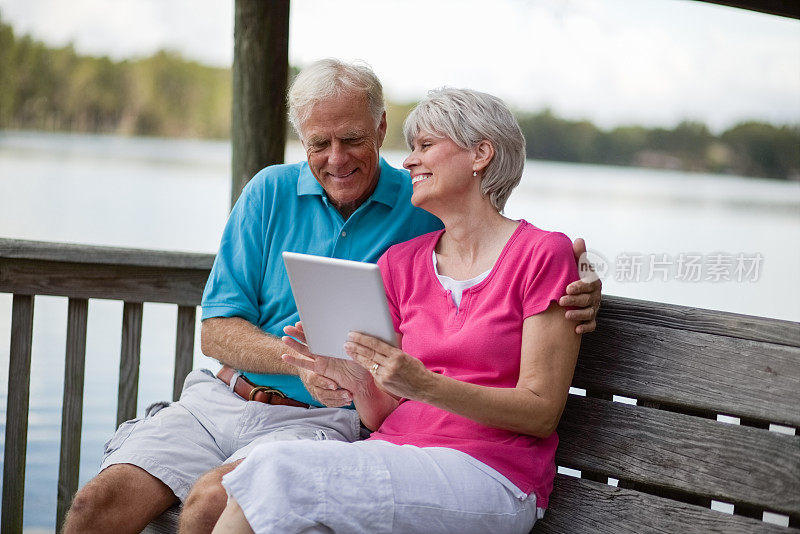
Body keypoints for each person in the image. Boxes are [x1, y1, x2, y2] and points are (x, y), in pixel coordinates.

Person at [62, 60, 600, 534]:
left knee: (234, 495)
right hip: (242, 404)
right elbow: (221, 330)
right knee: (95, 504)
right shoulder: (350, 231)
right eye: (319, 144)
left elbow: (506, 248)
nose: (337, 158)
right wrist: (321, 365)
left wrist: (581, 276)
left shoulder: (435, 217)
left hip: (348, 432)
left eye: (353, 139)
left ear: (379, 128)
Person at [211, 87, 583, 534]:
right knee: (273, 498)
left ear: (480, 154)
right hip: (396, 453)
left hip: (492, 473)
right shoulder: (400, 262)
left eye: (425, 146)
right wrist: (353, 378)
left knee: (274, 469)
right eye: (411, 148)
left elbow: (540, 412)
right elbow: (382, 415)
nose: (407, 161)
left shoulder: (543, 254)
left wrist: (425, 384)